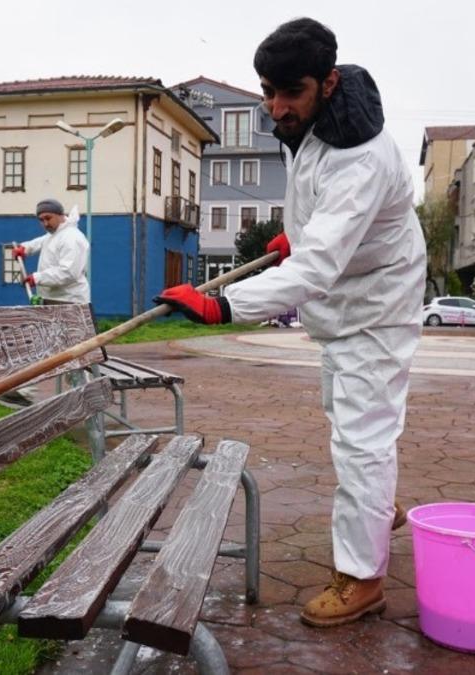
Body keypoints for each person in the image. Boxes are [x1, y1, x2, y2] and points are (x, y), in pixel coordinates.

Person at [155, 18, 426, 628]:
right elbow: (318, 217)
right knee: (347, 415)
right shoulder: (307, 122)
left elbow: (320, 266)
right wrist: (295, 234)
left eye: (290, 93)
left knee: (362, 437)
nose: (276, 107)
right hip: (347, 294)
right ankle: (378, 509)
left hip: (376, 305)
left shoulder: (362, 157)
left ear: (328, 83)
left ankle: (362, 578)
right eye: (267, 92)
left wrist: (223, 306)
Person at [12, 199, 89, 305]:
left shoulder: (72, 238)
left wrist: (37, 278)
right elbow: (42, 241)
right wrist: (25, 248)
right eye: (41, 220)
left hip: (69, 301)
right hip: (54, 300)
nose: (45, 223)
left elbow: (68, 272)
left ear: (61, 215)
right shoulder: (56, 234)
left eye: (48, 218)